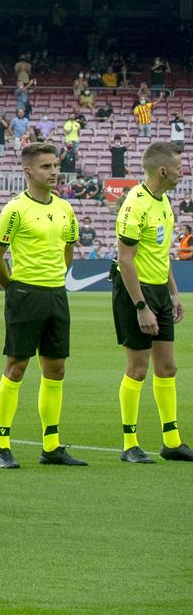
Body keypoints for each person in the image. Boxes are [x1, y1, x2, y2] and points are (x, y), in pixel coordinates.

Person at [0, 141, 83, 469]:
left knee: (56, 369)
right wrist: (13, 287)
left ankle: (52, 445)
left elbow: (68, 250)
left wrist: (55, 277)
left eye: (55, 166)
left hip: (56, 294)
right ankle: (2, 445)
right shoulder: (15, 209)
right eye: (46, 166)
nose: (54, 171)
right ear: (28, 171)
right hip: (24, 294)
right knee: (17, 367)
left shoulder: (65, 208)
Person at [114, 140, 190, 463]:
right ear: (163, 170)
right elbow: (125, 260)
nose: (182, 171)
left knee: (168, 367)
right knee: (139, 368)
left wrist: (173, 293)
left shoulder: (164, 202)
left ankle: (171, 441)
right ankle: (129, 443)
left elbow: (163, 254)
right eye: (178, 166)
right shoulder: (135, 204)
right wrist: (142, 307)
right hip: (136, 291)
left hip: (159, 290)